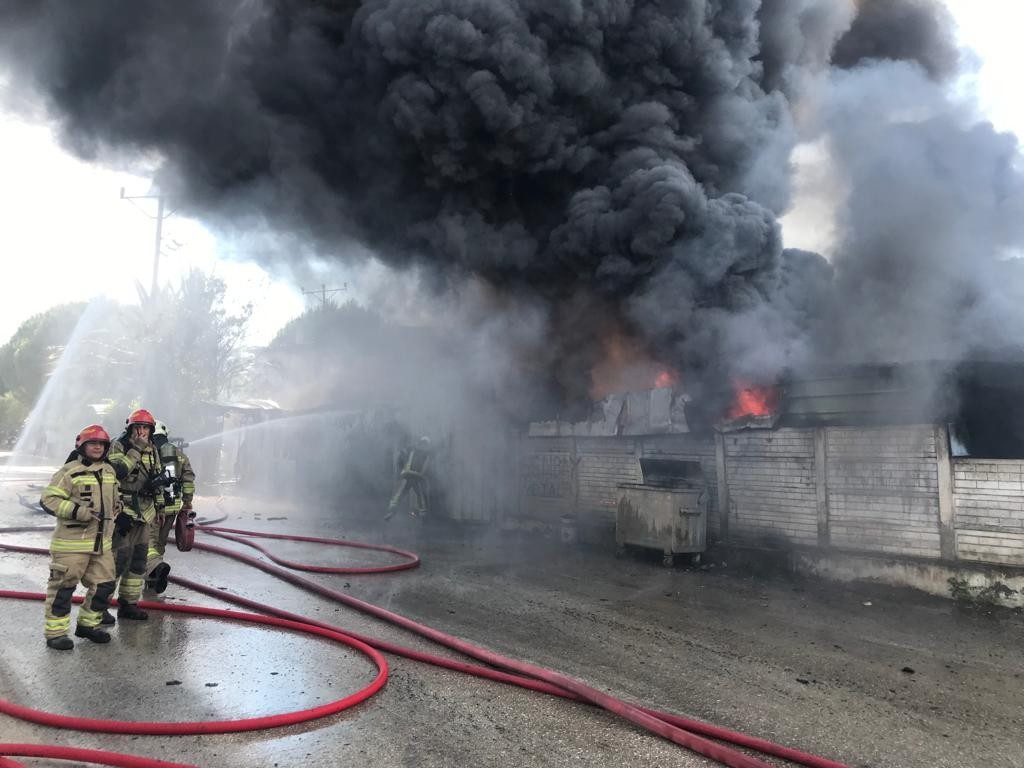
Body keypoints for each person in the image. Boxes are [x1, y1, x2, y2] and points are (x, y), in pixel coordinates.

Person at [39, 425, 121, 650]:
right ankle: (56, 633)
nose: (97, 447)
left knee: (104, 586)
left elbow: (115, 496)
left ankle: (88, 625)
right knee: (63, 589)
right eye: (92, 443)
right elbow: (49, 500)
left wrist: (119, 506)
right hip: (71, 545)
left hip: (101, 545)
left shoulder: (109, 471)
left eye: (101, 444)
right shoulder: (69, 471)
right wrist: (78, 511)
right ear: (81, 445)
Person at [105, 408, 165, 621]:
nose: (142, 432)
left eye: (146, 428)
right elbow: (118, 472)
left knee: (138, 562)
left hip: (145, 512)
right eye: (138, 427)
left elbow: (157, 477)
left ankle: (128, 604)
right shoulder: (118, 445)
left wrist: (160, 507)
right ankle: (100, 606)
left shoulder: (154, 450)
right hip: (124, 511)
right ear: (130, 428)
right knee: (116, 561)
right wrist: (137, 448)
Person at [145, 420, 195, 593]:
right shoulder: (179, 455)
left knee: (147, 543)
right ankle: (154, 577)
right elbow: (188, 481)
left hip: (152, 507)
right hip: (172, 507)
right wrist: (187, 503)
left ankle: (157, 567)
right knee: (159, 543)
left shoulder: (149, 453)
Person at [385, 436, 432, 519]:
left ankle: (392, 511)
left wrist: (401, 468)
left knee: (401, 493)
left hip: (409, 475)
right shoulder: (424, 453)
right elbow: (426, 466)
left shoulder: (413, 449)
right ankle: (423, 514)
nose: (423, 445)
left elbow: (401, 455)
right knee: (418, 494)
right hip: (415, 476)